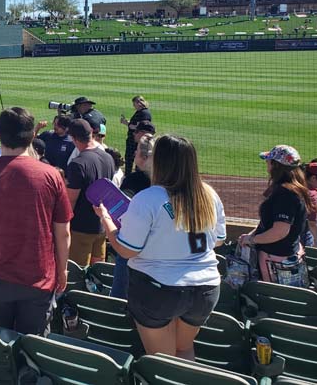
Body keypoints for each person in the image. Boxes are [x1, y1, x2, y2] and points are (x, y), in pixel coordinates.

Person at [94, 135, 226, 360]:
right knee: (183, 350)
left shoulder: (148, 198)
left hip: (159, 290)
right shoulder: (209, 194)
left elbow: (127, 250)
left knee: (162, 361)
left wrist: (107, 221)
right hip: (205, 288)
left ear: (161, 162)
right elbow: (218, 240)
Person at [0, 107, 72, 335]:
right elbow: (63, 233)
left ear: (0, 135)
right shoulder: (51, 175)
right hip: (38, 279)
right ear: (32, 136)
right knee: (33, 349)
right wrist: (63, 270)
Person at [238, 145, 310, 285]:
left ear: (275, 165)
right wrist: (252, 235)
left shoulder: (285, 194)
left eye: (268, 161)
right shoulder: (294, 189)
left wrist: (252, 240)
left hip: (275, 259)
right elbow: (270, 223)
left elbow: (279, 232)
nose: (266, 163)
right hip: (287, 253)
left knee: (271, 297)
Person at [110, 134, 155, 299]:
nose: (134, 154)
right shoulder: (167, 181)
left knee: (120, 296)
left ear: (143, 157)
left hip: (129, 247)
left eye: (136, 151)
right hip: (155, 251)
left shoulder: (133, 180)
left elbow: (121, 209)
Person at [66, 119, 116, 266]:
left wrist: (64, 225)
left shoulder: (77, 163)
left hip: (81, 229)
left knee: (78, 272)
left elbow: (71, 200)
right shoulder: (108, 157)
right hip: (102, 226)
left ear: (74, 139)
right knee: (97, 272)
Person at [121, 96, 152, 175]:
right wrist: (127, 122)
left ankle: (134, 175)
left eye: (134, 104)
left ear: (138, 103)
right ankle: (129, 174)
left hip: (137, 140)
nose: (133, 106)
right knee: (130, 158)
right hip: (134, 138)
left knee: (134, 158)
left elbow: (143, 127)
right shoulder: (140, 112)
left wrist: (129, 125)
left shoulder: (144, 113)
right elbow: (136, 124)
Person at [305, 160, 317, 240]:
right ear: (313, 178)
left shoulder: (293, 186)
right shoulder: (312, 195)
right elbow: (312, 223)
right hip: (301, 236)